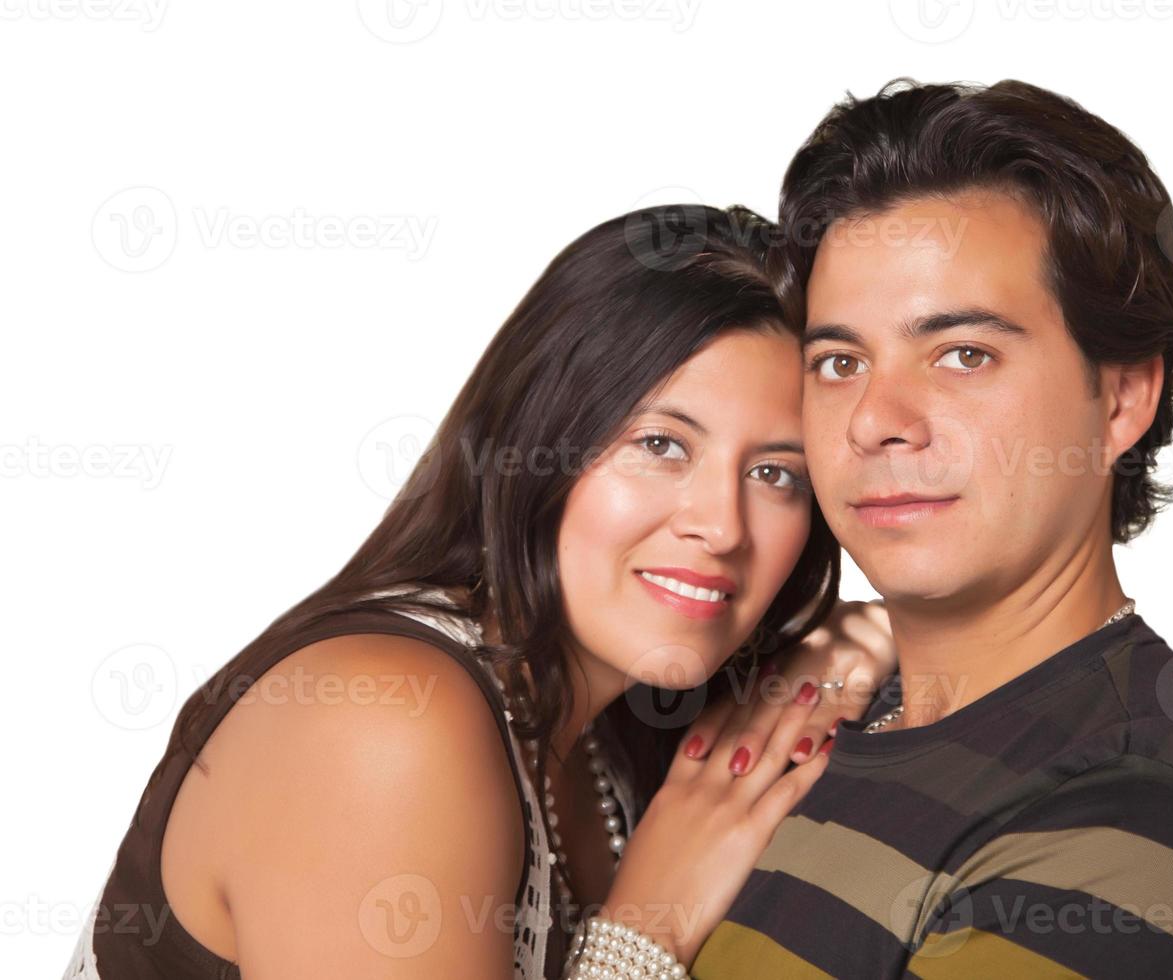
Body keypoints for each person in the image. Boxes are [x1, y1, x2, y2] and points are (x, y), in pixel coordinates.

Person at [62, 204, 899, 979]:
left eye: (774, 474)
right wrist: (645, 932)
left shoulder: (608, 729)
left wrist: (844, 653)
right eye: (660, 444)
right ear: (536, 440)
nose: (721, 526)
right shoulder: (383, 719)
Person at [658, 79, 1173, 978]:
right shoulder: (818, 713)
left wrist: (631, 946)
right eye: (839, 360)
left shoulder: (1133, 831)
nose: (875, 419)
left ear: (1122, 396)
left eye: (963, 354)